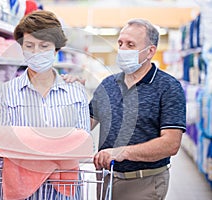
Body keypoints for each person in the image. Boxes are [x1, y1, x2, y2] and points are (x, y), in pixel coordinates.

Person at [65, 18, 186, 200]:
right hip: (106, 179)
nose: (122, 50)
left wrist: (122, 152)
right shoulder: (108, 85)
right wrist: (71, 94)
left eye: (131, 45)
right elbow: (82, 125)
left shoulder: (168, 87)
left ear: (150, 51)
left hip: (143, 182)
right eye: (120, 43)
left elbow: (171, 143)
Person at [0, 10, 90, 199]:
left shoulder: (75, 92)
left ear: (56, 49)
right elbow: (1, 147)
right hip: (22, 192)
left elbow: (82, 145)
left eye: (44, 46)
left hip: (63, 192)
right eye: (29, 45)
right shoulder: (7, 93)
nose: (36, 52)